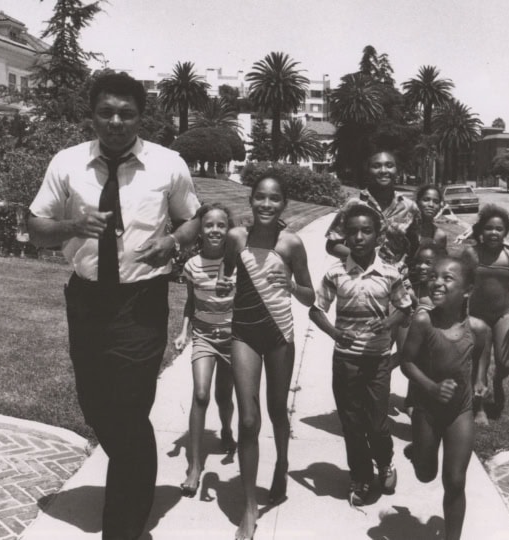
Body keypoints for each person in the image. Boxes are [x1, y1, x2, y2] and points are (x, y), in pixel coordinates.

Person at [27, 72, 201, 540]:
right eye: (106, 112)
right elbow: (35, 229)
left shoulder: (168, 165)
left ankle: (123, 527)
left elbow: (194, 220)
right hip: (86, 301)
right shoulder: (67, 163)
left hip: (141, 301)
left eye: (126, 113)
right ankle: (133, 482)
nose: (116, 121)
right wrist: (71, 225)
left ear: (141, 116)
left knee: (127, 408)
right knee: (96, 405)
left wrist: (173, 242)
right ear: (93, 115)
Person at [216, 173, 314, 540]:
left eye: (275, 199)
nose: (267, 205)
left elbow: (310, 296)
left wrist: (290, 284)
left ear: (284, 203)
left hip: (279, 336)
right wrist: (225, 282)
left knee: (276, 410)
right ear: (251, 200)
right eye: (260, 197)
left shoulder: (291, 244)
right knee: (248, 420)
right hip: (243, 332)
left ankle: (283, 463)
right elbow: (226, 273)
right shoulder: (236, 238)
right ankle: (249, 506)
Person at [309, 203, 412, 507]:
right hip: (345, 360)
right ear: (346, 237)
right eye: (352, 231)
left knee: (377, 424)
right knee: (352, 423)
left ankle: (386, 462)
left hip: (378, 359)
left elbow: (405, 307)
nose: (359, 237)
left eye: (366, 231)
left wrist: (388, 322)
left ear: (378, 237)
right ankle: (361, 476)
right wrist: (334, 332)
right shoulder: (335, 273)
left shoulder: (389, 273)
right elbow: (316, 310)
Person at [400, 253, 491, 540]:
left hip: (460, 412)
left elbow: (481, 356)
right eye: (433, 277)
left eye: (447, 278)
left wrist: (480, 380)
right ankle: (418, 452)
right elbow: (407, 362)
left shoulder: (477, 328)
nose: (436, 283)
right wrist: (431, 388)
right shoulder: (423, 322)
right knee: (426, 475)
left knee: (454, 481)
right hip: (427, 410)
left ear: (467, 290)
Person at [173, 203, 237, 498]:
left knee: (225, 395)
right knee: (201, 394)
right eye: (209, 224)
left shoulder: (238, 263)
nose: (214, 230)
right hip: (204, 337)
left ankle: (226, 430)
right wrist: (184, 331)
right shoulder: (192, 265)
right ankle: (194, 466)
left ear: (229, 230)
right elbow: (191, 302)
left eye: (221, 225)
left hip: (233, 340)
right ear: (200, 229)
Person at [466, 205, 509, 421]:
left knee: (505, 363)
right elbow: (458, 278)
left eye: (499, 229)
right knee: (480, 362)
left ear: (506, 232)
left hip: (504, 313)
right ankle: (479, 408)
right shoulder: (471, 254)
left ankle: (498, 381)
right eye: (488, 228)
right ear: (480, 231)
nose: (493, 233)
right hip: (477, 315)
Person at [325, 139, 421, 269]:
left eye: (389, 165)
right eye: (376, 166)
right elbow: (332, 245)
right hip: (360, 279)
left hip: (397, 281)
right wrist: (364, 259)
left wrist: (404, 265)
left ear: (397, 170)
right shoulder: (354, 205)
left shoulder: (409, 207)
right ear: (368, 171)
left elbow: (416, 246)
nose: (383, 170)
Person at [414, 184, 448, 251]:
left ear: (440, 206)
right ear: (417, 202)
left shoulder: (439, 236)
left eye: (436, 202)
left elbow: (440, 260)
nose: (431, 205)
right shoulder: (405, 228)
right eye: (426, 200)